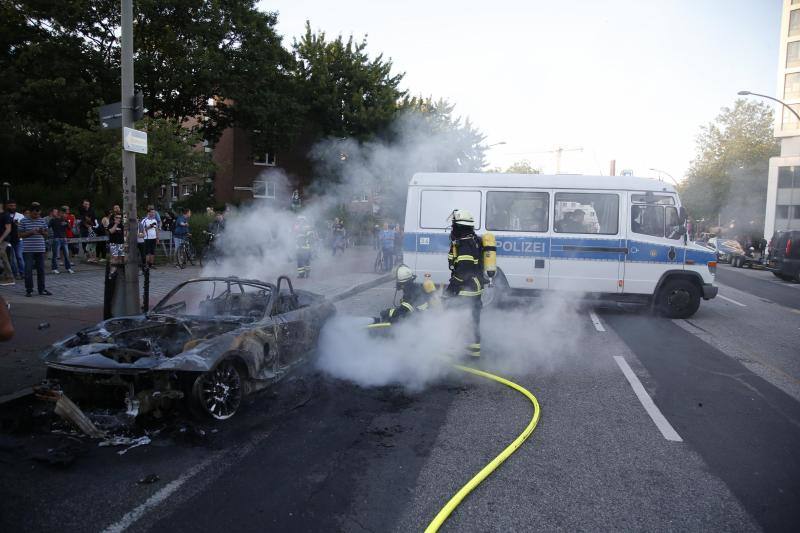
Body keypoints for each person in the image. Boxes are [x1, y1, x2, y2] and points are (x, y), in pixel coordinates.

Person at [446, 209, 483, 358]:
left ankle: (448, 354)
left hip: (467, 288)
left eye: (454, 225)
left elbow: (463, 272)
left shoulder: (465, 244)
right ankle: (474, 352)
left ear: (459, 226)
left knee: (455, 318)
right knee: (472, 320)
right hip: (475, 287)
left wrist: (451, 288)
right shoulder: (473, 240)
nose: (452, 228)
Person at [18, 202, 51, 297]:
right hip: (28, 250)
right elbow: (19, 235)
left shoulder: (42, 220)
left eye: (38, 213)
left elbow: (47, 234)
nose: (37, 215)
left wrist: (42, 232)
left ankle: (42, 289)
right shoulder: (23, 221)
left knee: (41, 270)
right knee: (28, 270)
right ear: (30, 212)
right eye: (35, 214)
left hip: (40, 248)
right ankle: (29, 290)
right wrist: (31, 232)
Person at [0, 200, 22, 280]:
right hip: (7, 239)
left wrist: (1, 239)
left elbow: (8, 229)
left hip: (11, 239)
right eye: (10, 205)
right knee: (9, 258)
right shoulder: (5, 214)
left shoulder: (7, 215)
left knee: (16, 257)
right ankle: (11, 274)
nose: (12, 207)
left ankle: (14, 275)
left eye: (14, 205)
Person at [48, 208, 74, 274]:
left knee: (66, 254)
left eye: (65, 214)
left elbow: (70, 228)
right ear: (60, 213)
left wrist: (67, 222)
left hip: (64, 238)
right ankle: (54, 268)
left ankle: (68, 268)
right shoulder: (53, 220)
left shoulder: (65, 220)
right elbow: (47, 227)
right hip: (56, 238)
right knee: (55, 254)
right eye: (63, 213)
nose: (64, 215)